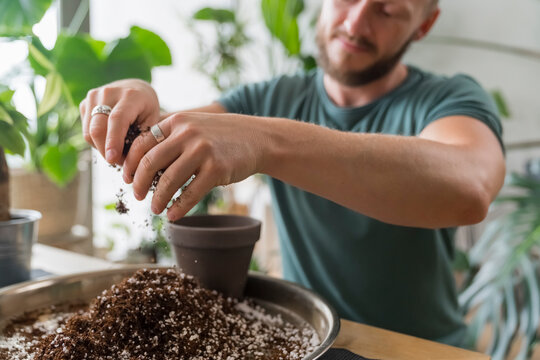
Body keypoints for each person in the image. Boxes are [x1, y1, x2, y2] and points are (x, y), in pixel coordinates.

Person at [80, 0, 506, 347]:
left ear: (424, 24)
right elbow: (173, 138)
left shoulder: (448, 98)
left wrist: (266, 141)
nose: (356, 22)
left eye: (387, 9)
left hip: (420, 348)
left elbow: (468, 185)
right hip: (310, 339)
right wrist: (133, 110)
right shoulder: (270, 97)